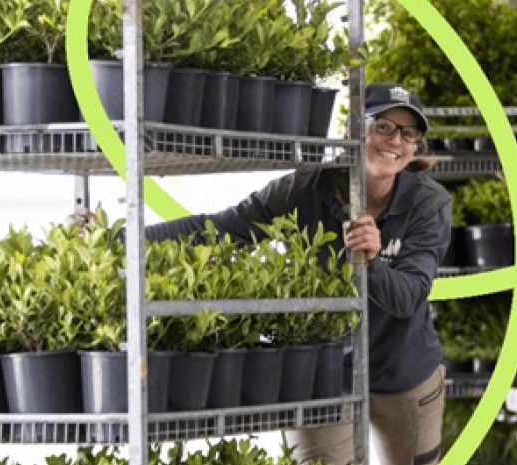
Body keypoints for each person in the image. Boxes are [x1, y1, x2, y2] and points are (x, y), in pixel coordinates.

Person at [135, 83, 451, 465]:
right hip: (323, 371)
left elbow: (408, 297)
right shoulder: (306, 188)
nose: (395, 141)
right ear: (352, 130)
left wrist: (371, 261)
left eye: (408, 133)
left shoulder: (427, 202)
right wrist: (123, 239)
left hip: (404, 371)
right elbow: (223, 229)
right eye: (383, 126)